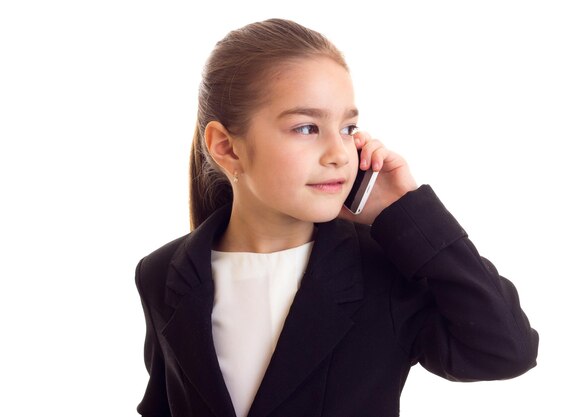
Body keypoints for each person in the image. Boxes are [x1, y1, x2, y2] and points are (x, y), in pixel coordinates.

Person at [135, 18, 539, 417]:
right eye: (307, 127)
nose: (340, 153)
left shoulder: (382, 273)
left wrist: (409, 211)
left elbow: (506, 350)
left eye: (349, 127)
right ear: (227, 147)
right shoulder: (162, 274)